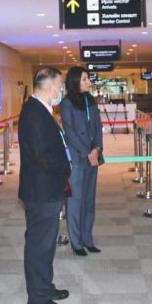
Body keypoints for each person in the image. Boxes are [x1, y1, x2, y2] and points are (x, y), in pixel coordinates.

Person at [18, 67, 71, 304]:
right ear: (50, 87)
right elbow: (41, 154)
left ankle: (44, 286)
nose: (61, 91)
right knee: (39, 245)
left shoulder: (41, 110)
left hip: (47, 187)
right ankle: (38, 297)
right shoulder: (34, 112)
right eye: (60, 86)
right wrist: (65, 169)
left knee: (47, 243)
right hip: (41, 189)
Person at [59, 67, 103, 257]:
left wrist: (97, 149)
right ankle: (76, 243)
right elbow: (70, 132)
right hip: (78, 158)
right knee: (75, 202)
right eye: (84, 79)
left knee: (89, 201)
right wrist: (87, 153)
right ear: (75, 80)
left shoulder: (90, 101)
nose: (88, 82)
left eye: (88, 79)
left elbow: (98, 127)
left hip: (93, 157)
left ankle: (87, 239)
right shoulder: (67, 103)